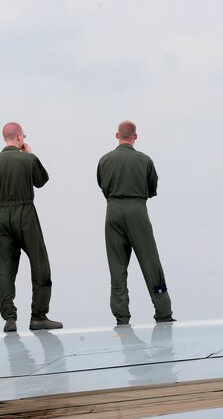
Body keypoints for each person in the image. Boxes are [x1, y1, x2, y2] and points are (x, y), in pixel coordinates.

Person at [0, 122, 63, 333]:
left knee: (5, 267)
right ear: (20, 137)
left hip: (1, 215)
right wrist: (30, 154)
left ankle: (9, 318)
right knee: (40, 262)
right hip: (25, 213)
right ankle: (38, 316)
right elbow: (42, 180)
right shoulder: (27, 159)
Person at [97, 121, 175, 325]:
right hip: (137, 209)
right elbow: (152, 188)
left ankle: (121, 317)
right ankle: (163, 312)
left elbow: (102, 186)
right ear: (135, 136)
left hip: (112, 210)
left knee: (117, 265)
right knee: (150, 261)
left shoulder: (104, 160)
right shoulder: (144, 160)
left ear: (117, 135)